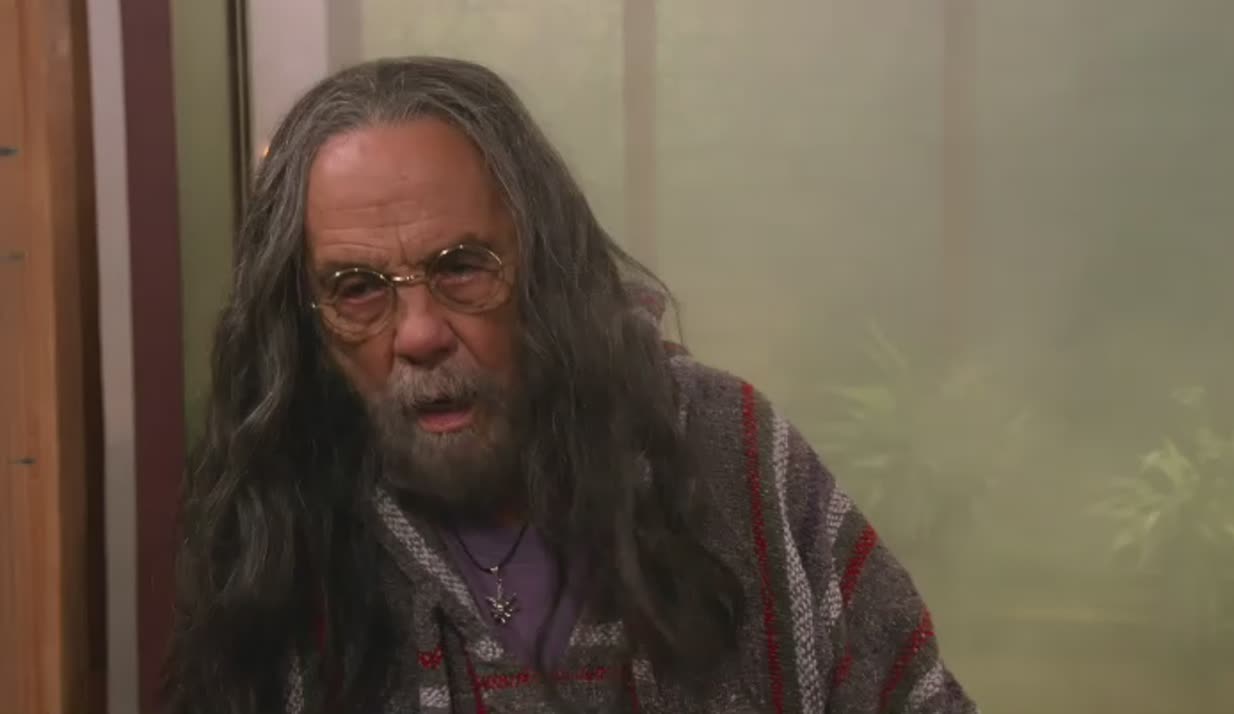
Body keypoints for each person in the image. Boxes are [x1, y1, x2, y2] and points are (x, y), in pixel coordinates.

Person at [168, 56, 976, 714]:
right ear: (307, 322)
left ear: (544, 269)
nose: (417, 334)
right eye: (357, 289)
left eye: (461, 267)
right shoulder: (281, 530)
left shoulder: (724, 450)